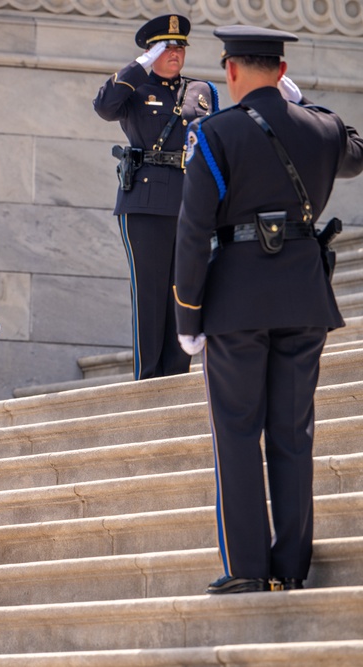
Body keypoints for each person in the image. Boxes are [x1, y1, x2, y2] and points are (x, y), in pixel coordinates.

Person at [173, 25, 363, 595]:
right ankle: (292, 566)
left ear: (230, 71)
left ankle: (249, 568)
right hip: (304, 297)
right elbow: (356, 148)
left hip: (235, 302)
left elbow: (192, 232)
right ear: (283, 72)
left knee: (236, 432)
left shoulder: (215, 133)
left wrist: (188, 317)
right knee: (292, 433)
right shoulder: (323, 130)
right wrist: (302, 105)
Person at [93, 14, 219, 380]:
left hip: (190, 203)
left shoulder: (202, 92)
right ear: (151, 52)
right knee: (149, 291)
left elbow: (215, 144)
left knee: (184, 287)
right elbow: (103, 107)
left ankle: (178, 372)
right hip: (144, 205)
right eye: (166, 48)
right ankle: (148, 376)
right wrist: (139, 66)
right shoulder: (134, 88)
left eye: (180, 47)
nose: (175, 53)